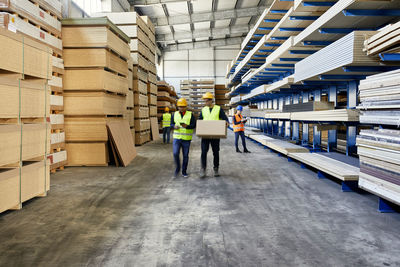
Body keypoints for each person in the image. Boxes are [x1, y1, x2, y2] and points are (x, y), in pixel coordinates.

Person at [199, 92, 229, 178]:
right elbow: (200, 120)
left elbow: (225, 118)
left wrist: (227, 122)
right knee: (204, 152)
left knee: (215, 152)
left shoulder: (218, 109)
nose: (205, 102)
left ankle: (216, 168)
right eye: (204, 101)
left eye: (206, 101)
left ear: (210, 100)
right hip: (205, 135)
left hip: (215, 135)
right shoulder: (203, 109)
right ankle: (203, 169)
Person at [171, 98, 196, 178]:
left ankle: (184, 171)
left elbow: (194, 125)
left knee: (185, 155)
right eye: (180, 107)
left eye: (183, 106)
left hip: (186, 139)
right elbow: (171, 124)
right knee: (175, 153)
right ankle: (177, 168)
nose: (181, 108)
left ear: (186, 106)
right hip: (177, 138)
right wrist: (174, 126)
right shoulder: (174, 114)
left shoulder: (190, 114)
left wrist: (187, 126)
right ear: (178, 107)